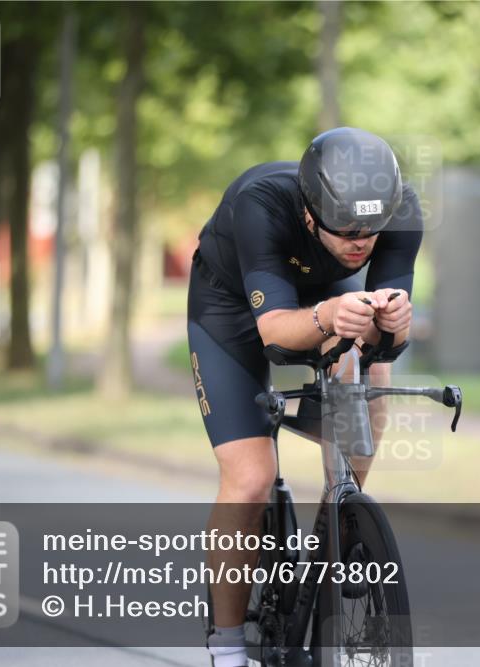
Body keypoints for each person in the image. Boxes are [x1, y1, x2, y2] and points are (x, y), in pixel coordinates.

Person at [188, 127, 422, 666]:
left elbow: (385, 345)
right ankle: (227, 648)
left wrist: (395, 326)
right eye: (346, 230)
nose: (361, 242)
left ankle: (346, 522)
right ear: (311, 214)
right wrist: (326, 318)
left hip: (324, 297)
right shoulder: (262, 205)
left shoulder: (400, 209)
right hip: (233, 309)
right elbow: (274, 333)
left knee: (369, 382)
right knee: (249, 480)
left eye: (372, 229)